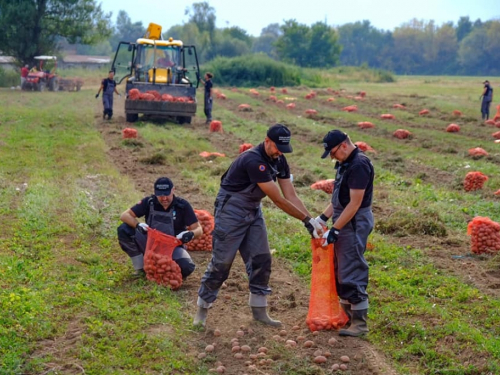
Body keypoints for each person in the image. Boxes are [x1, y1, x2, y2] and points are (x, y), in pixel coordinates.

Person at [193, 124, 324, 328]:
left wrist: (312, 219)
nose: (279, 152)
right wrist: (306, 221)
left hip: (253, 209)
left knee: (261, 258)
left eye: (283, 149)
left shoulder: (279, 160)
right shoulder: (254, 160)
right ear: (267, 141)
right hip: (231, 209)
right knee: (222, 262)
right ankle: (202, 309)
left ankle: (259, 311)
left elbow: (291, 195)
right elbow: (278, 200)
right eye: (276, 147)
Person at [316, 130, 374, 337]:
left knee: (352, 267)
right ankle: (347, 316)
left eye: (332, 153)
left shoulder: (359, 165)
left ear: (343, 145)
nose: (332, 157)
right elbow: (338, 199)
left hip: (354, 222)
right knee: (340, 268)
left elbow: (354, 204)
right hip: (343, 218)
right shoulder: (344, 163)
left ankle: (359, 323)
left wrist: (336, 228)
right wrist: (322, 218)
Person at [117, 177, 202, 280]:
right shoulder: (149, 202)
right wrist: (137, 225)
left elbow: (198, 229)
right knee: (124, 229)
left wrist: (190, 234)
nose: (164, 198)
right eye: (160, 195)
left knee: (187, 267)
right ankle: (141, 268)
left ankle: (162, 267)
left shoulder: (182, 205)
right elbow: (124, 215)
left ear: (173, 190)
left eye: (167, 194)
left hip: (172, 246)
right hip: (150, 244)